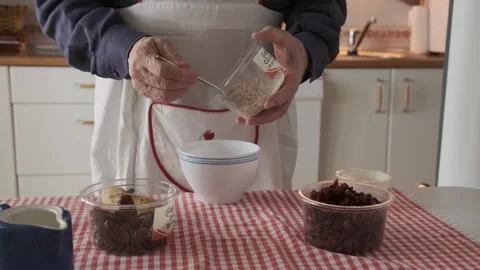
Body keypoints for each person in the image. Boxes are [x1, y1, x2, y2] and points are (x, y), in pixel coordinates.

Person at [34, 0, 346, 192]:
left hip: (260, 101)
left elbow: (320, 7)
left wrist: (305, 50)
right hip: (135, 105)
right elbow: (62, 4)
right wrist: (123, 49)